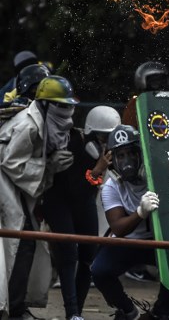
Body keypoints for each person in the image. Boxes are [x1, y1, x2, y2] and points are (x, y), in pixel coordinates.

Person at [0, 75, 78, 319]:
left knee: (27, 243)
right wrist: (49, 167)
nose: (66, 112)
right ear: (44, 104)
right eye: (60, 105)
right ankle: (13, 309)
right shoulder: (29, 124)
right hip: (4, 184)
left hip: (16, 188)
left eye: (68, 106)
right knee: (20, 244)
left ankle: (18, 304)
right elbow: (11, 162)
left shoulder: (46, 121)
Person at [91, 125, 169, 320]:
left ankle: (162, 312)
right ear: (113, 159)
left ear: (140, 152)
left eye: (131, 153)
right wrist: (140, 212)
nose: (126, 161)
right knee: (99, 271)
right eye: (120, 156)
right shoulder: (111, 186)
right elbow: (118, 227)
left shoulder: (156, 175)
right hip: (128, 242)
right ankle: (129, 311)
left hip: (157, 241)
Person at [41, 105, 120, 320]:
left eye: (108, 138)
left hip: (83, 202)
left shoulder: (104, 154)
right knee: (68, 256)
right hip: (59, 202)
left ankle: (78, 311)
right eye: (102, 137)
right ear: (91, 132)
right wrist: (97, 170)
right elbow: (75, 187)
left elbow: (88, 191)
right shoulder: (73, 144)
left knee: (88, 257)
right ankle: (72, 312)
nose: (105, 143)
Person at [123, 60, 169, 129]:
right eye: (154, 81)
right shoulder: (136, 102)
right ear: (142, 81)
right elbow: (129, 128)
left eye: (161, 81)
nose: (159, 84)